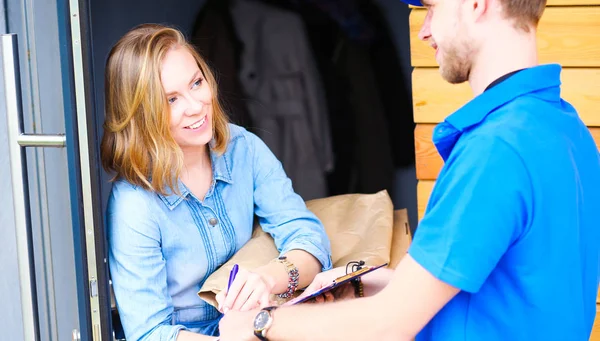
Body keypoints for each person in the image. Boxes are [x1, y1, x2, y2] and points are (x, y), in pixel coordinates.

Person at [217, 0, 600, 339]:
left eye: (432, 8)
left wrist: (260, 323)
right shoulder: (566, 126)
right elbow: (510, 288)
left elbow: (389, 325)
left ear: (476, 4)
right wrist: (374, 284)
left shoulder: (494, 151)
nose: (424, 30)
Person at [100, 23, 332, 341]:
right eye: (171, 100)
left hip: (261, 323)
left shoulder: (243, 148)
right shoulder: (134, 205)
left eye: (196, 83)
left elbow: (310, 240)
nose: (196, 106)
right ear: (141, 114)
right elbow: (150, 333)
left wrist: (267, 279)